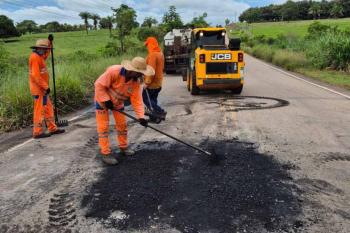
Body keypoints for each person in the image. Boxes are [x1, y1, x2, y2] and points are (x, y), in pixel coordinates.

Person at [94, 57, 154, 165]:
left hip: (117, 103)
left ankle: (123, 147)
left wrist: (141, 117)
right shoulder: (114, 71)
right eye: (139, 73)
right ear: (132, 70)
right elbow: (99, 85)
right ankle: (105, 153)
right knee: (103, 128)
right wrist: (106, 100)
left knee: (122, 125)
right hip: (102, 101)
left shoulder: (135, 82)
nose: (141, 75)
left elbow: (137, 100)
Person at [29, 39, 65, 139]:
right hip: (38, 90)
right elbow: (36, 76)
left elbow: (46, 55)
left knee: (48, 108)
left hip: (43, 90)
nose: (46, 51)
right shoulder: (34, 58)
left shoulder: (40, 56)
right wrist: (46, 86)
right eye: (45, 49)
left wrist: (50, 42)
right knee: (39, 110)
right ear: (39, 48)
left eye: (47, 49)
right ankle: (37, 132)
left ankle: (52, 128)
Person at [142, 37, 166, 120]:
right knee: (153, 100)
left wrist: (146, 82)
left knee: (145, 98)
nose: (147, 47)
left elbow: (151, 70)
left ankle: (160, 112)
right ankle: (154, 118)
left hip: (152, 83)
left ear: (151, 45)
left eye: (147, 45)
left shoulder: (152, 55)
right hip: (158, 82)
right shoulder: (160, 54)